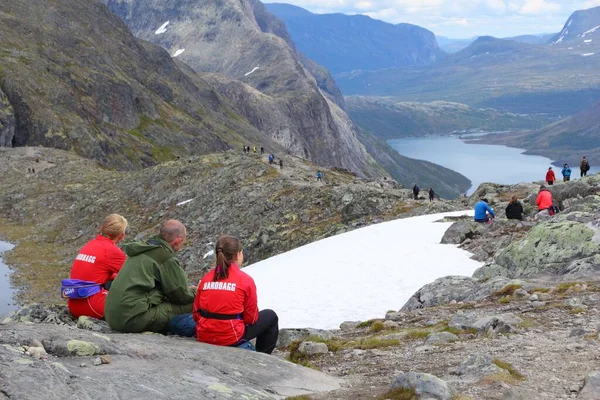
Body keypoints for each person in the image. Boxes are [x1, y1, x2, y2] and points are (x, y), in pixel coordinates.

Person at [105, 220, 197, 337]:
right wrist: (196, 291)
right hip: (131, 319)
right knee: (195, 302)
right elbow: (180, 296)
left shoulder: (142, 249)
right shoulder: (164, 257)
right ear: (178, 241)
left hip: (112, 316)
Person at [193, 235, 279, 354]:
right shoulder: (245, 280)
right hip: (231, 336)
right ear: (238, 255)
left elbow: (196, 314)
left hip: (204, 335)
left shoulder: (206, 278)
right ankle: (262, 357)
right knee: (271, 316)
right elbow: (252, 318)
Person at [65, 214, 127, 319]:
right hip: (92, 306)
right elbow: (134, 275)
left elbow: (96, 273)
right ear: (121, 236)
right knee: (135, 307)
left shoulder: (90, 244)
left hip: (74, 304)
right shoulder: (112, 251)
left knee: (110, 282)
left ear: (101, 228)